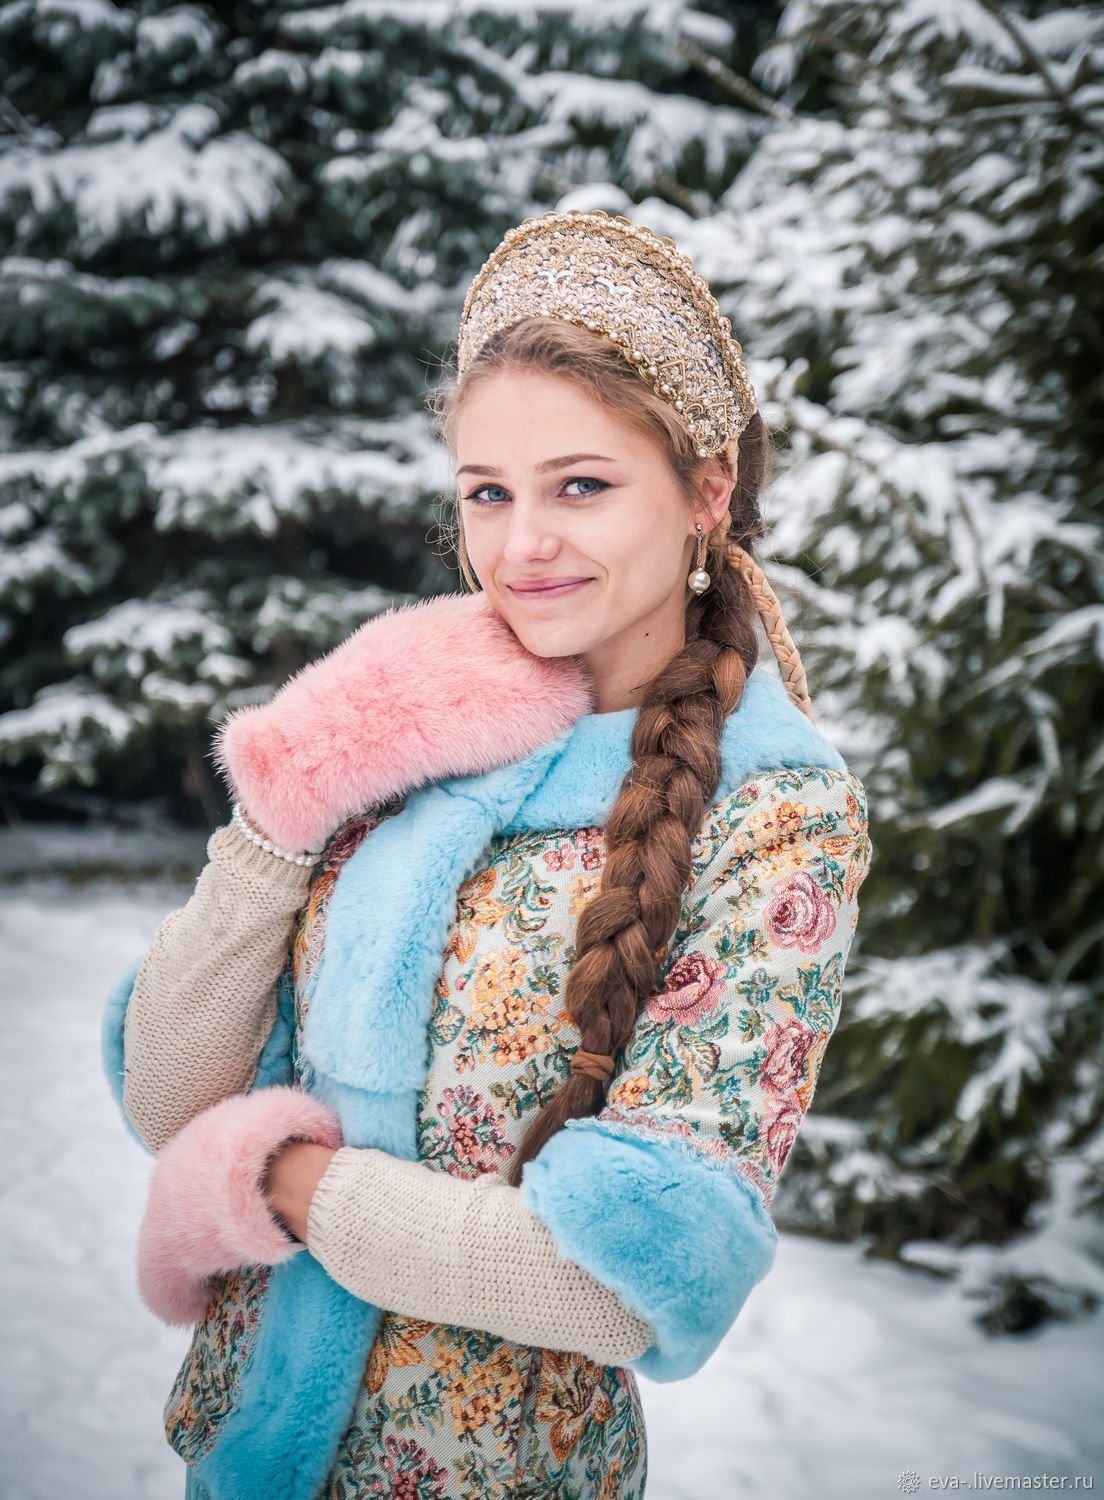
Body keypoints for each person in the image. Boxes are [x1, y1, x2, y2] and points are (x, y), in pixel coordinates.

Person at [102, 208, 874, 1500]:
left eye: (582, 485)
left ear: (707, 489)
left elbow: (626, 1276)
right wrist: (281, 808)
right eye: (486, 494)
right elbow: (171, 1098)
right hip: (245, 1456)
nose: (521, 550)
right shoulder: (414, 709)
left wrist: (296, 1189)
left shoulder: (778, 810)